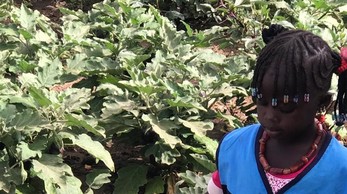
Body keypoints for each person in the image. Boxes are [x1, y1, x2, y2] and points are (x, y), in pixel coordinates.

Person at [208, 24, 347, 194]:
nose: (269, 115)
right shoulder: (234, 146)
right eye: (261, 99)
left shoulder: (340, 170)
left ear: (322, 103)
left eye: (286, 105)